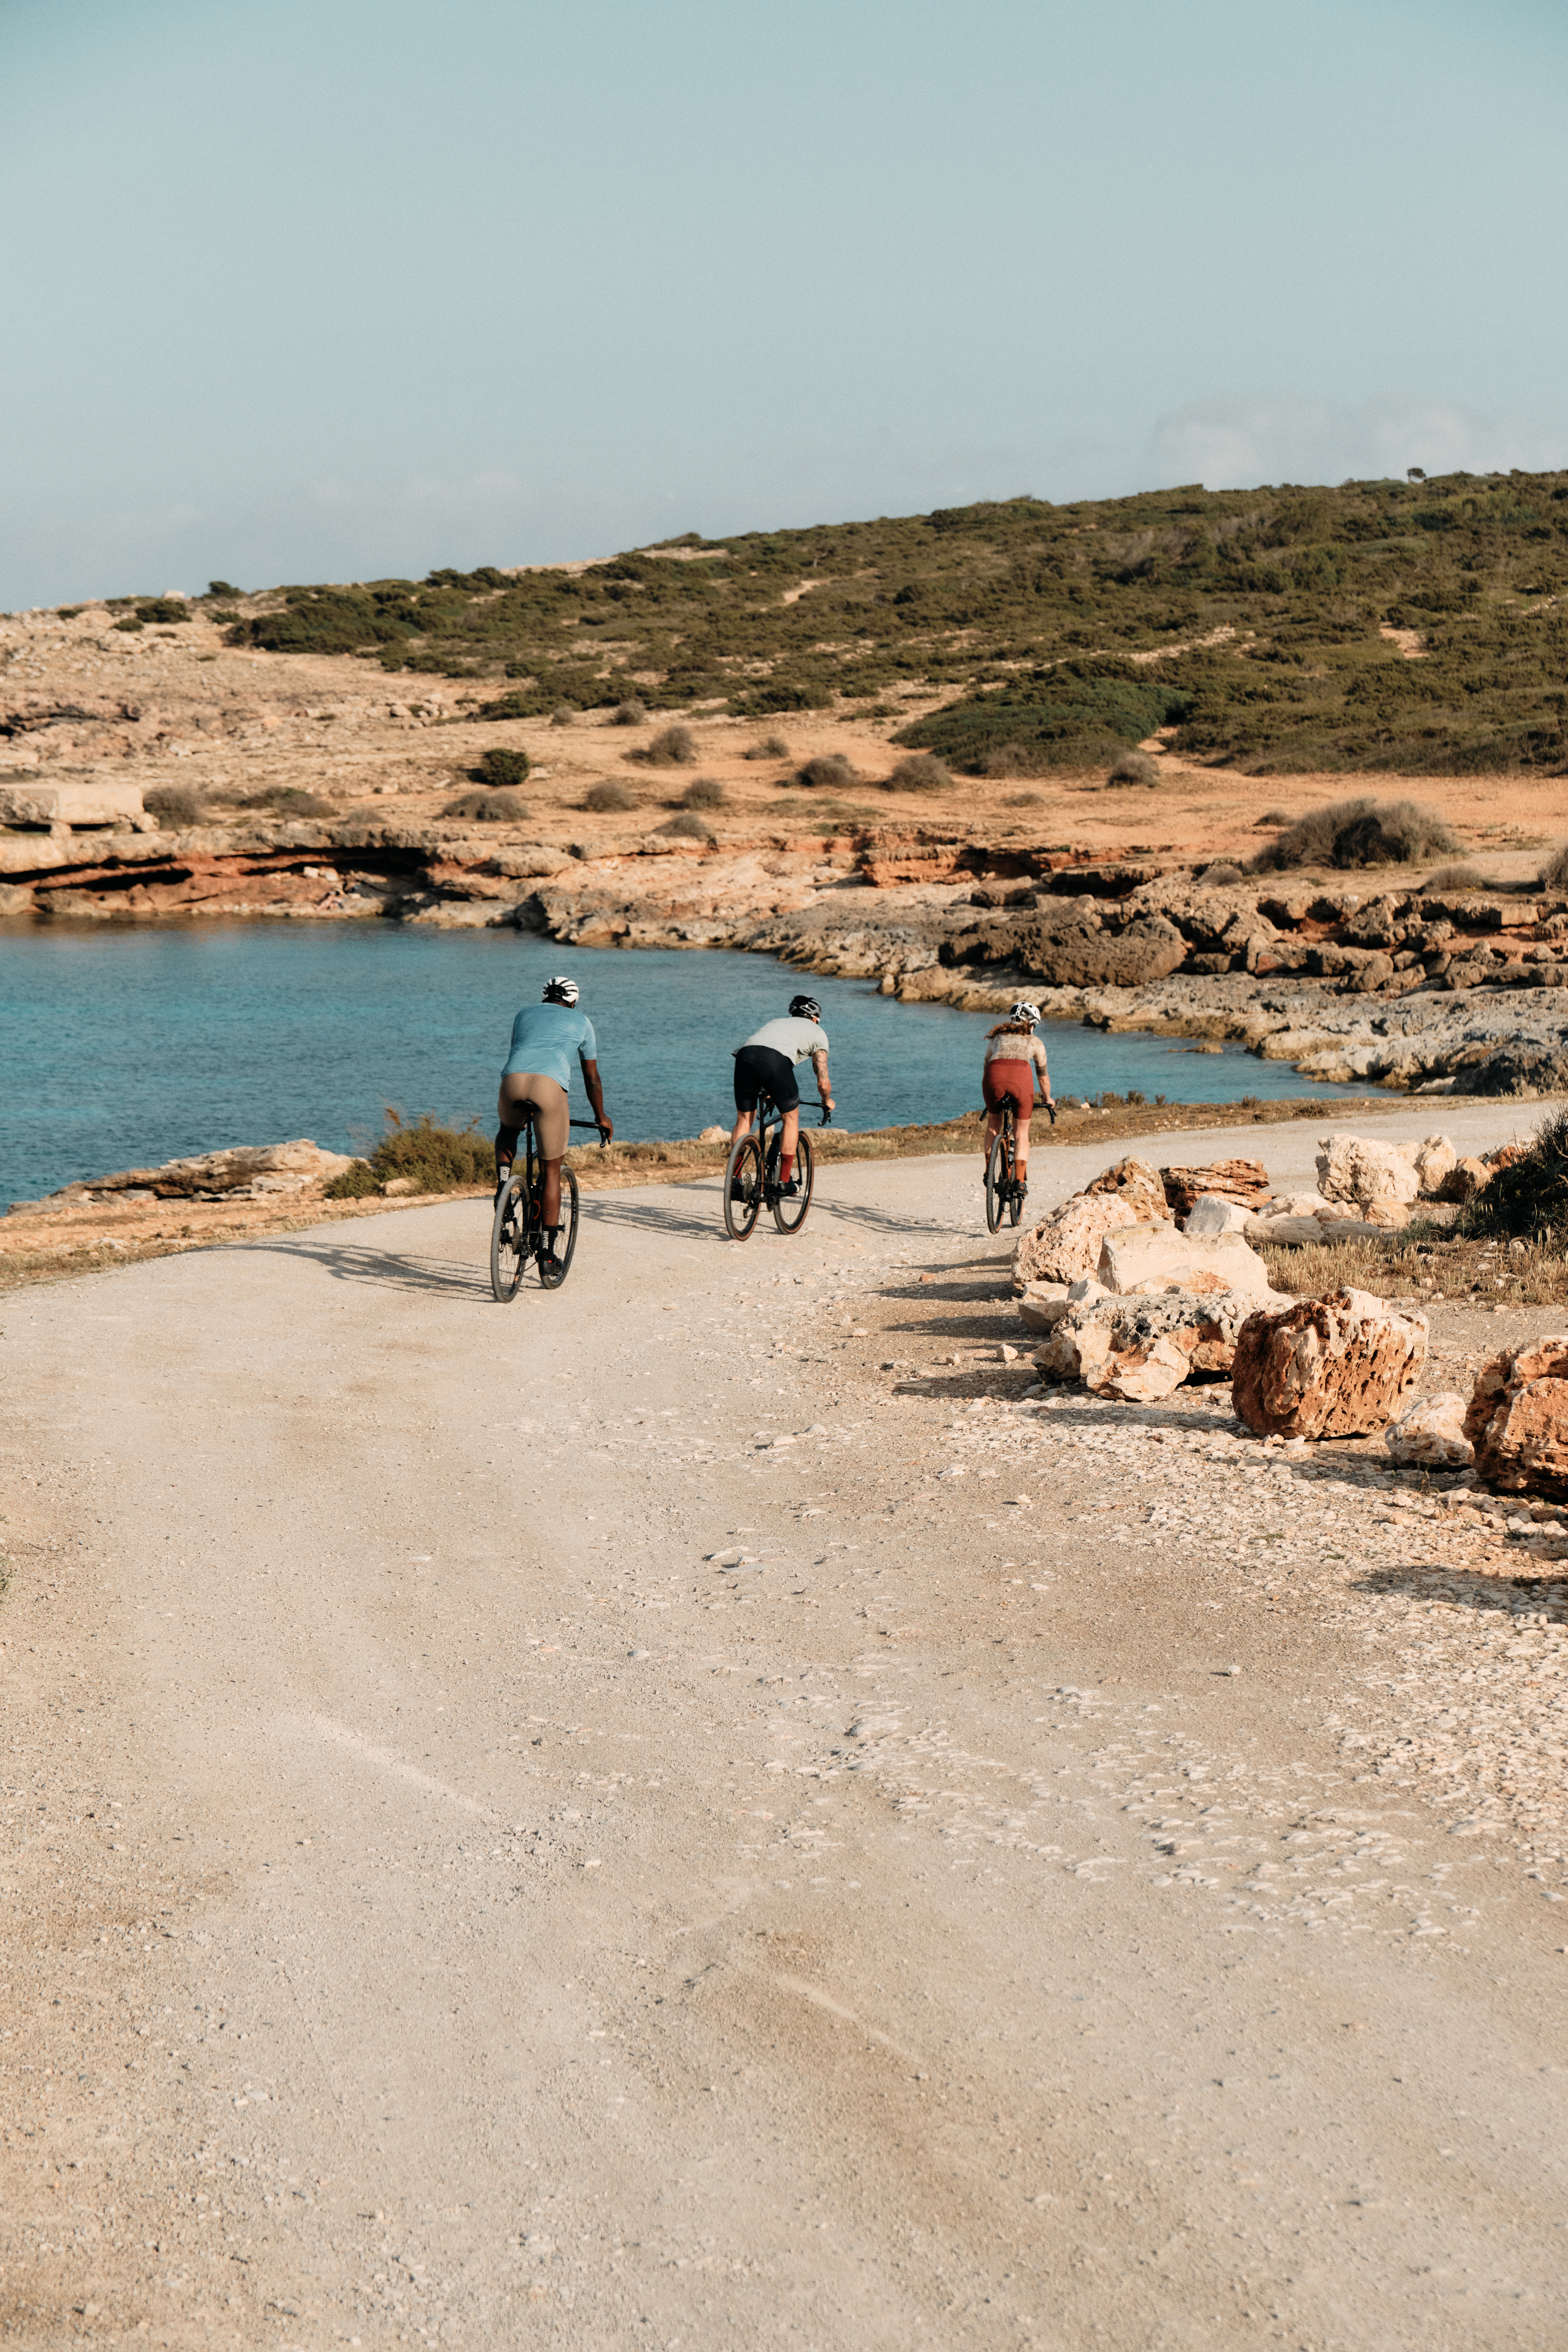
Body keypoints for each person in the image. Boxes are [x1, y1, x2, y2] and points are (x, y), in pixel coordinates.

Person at [496, 976, 612, 1240]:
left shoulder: (523, 1015)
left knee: (508, 1130)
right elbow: (592, 1078)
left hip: (512, 1082)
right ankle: (548, 1252)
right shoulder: (582, 1022)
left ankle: (503, 1181)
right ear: (573, 1003)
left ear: (545, 996)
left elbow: (522, 1050)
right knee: (551, 1172)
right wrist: (601, 1117)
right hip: (549, 1088)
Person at [730, 995, 834, 1193]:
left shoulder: (776, 1023)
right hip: (775, 1062)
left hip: (744, 1057)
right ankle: (783, 1181)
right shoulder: (818, 1032)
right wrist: (827, 1100)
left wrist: (769, 1092)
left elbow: (762, 1053)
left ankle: (735, 1180)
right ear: (815, 1019)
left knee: (744, 1120)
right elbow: (822, 1079)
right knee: (791, 1119)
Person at [981, 1001, 1051, 1201]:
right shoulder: (1035, 1041)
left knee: (994, 1126)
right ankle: (1019, 1181)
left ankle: (989, 1172)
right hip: (1021, 1081)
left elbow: (987, 1068)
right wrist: (1048, 1099)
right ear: (1031, 1024)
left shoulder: (996, 1038)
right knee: (1021, 1132)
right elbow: (1043, 1077)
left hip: (993, 1079)